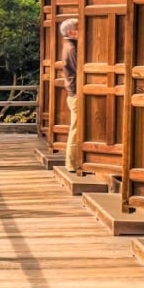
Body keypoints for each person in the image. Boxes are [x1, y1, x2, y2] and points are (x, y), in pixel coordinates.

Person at [61, 18, 81, 175]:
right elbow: (79, 69)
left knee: (76, 127)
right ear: (70, 32)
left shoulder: (69, 46)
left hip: (73, 93)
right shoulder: (71, 48)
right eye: (78, 27)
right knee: (76, 128)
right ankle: (71, 163)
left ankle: (74, 161)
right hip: (76, 93)